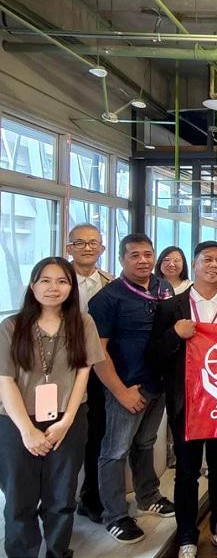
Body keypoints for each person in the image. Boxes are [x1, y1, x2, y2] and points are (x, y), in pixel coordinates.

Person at [0, 257, 104, 558]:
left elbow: (83, 374)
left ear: (71, 288)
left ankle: (57, 552)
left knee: (61, 497)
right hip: (16, 421)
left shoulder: (83, 323)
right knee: (19, 499)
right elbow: (5, 380)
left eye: (62, 281)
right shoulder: (11, 326)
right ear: (33, 286)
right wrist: (27, 431)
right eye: (45, 280)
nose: (53, 288)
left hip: (67, 419)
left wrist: (66, 421)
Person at [148, 241, 217, 558]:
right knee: (187, 473)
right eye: (207, 259)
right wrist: (174, 335)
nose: (214, 265)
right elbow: (154, 355)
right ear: (194, 263)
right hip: (187, 404)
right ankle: (187, 536)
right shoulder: (171, 308)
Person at [89, 233, 175, 544]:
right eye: (134, 255)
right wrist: (120, 391)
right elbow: (97, 351)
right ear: (121, 259)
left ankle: (148, 496)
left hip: (157, 383)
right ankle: (115, 515)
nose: (143, 260)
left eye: (148, 254)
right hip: (126, 387)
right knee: (115, 451)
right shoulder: (107, 298)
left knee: (145, 443)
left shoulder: (163, 288)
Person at [65, 223, 114, 524]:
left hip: (99, 368)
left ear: (102, 248)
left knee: (97, 433)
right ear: (69, 248)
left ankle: (90, 496)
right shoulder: (57, 280)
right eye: (80, 243)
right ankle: (57, 501)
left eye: (93, 243)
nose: (87, 248)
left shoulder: (111, 283)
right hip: (64, 369)